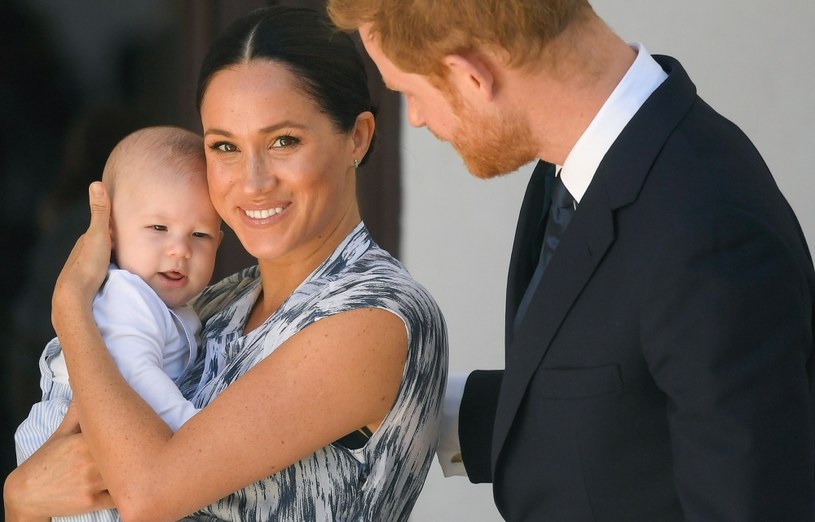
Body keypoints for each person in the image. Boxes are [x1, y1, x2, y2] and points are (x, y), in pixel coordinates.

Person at [327, 1, 815, 520]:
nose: (418, 118)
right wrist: (397, 399)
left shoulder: (709, 230)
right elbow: (617, 411)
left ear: (471, 76)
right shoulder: (583, 164)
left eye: (407, 93)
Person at [3, 6, 448, 522]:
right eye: (225, 147)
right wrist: (20, 500)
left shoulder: (373, 315)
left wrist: (71, 307)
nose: (253, 181)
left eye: (284, 141)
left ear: (359, 137)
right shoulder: (215, 301)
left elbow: (147, 494)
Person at [14, 125, 221, 479]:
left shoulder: (175, 305)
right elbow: (136, 374)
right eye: (158, 228)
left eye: (200, 235)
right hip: (75, 435)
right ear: (110, 230)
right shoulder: (127, 296)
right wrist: (194, 434)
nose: (180, 249)